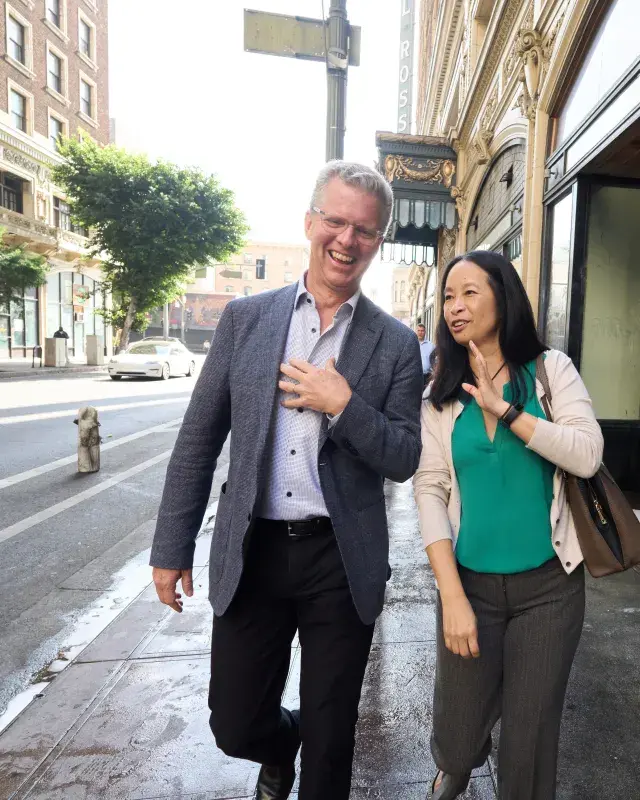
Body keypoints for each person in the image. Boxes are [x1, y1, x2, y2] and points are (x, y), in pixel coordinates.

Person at [150, 161, 423, 800]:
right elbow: (198, 440)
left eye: (365, 229)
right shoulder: (246, 319)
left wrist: (344, 405)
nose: (347, 239)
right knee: (236, 723)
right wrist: (171, 547)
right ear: (309, 222)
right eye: (336, 221)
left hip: (341, 558)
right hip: (255, 550)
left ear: (379, 241)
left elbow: (404, 456)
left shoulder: (393, 343)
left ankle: (312, 747)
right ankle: (280, 745)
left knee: (333, 742)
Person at [413, 250, 603, 800]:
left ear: (504, 297)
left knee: (529, 742)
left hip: (548, 589)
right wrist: (451, 595)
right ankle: (458, 763)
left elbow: (587, 455)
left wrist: (508, 412)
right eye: (449, 296)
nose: (455, 306)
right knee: (456, 734)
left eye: (470, 292)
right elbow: (430, 489)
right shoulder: (441, 394)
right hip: (469, 585)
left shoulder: (550, 371)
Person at [417, 322, 435, 387]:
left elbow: (435, 360)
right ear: (416, 332)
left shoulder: (431, 346)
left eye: (422, 331)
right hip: (415, 376)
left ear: (425, 332)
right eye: (418, 330)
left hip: (427, 376)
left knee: (426, 393)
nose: (420, 332)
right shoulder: (412, 344)